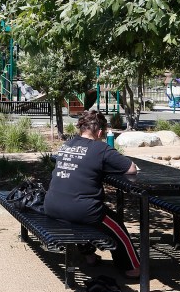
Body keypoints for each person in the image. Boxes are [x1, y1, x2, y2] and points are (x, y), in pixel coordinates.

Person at [44, 110, 141, 277]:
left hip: (52, 205)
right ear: (100, 132)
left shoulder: (67, 144)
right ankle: (133, 267)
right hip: (81, 209)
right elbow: (131, 168)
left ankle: (89, 256)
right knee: (117, 226)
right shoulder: (100, 148)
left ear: (81, 129)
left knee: (79, 221)